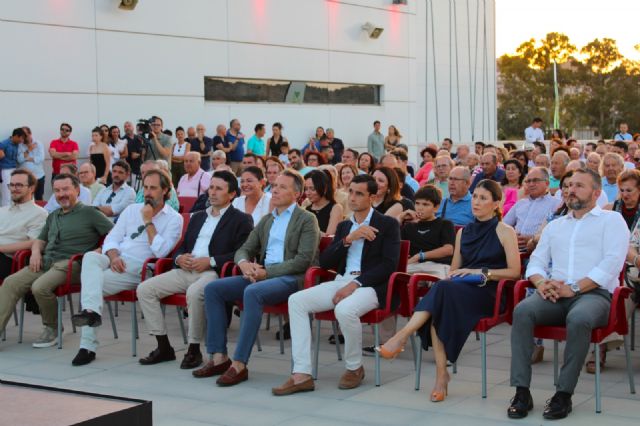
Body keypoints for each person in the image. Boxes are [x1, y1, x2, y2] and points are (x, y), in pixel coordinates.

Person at [376, 179, 520, 402]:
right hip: (461, 290)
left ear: (496, 203)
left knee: (441, 294)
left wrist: (482, 272)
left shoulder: (505, 231)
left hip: (490, 292)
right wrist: (462, 274)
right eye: (475, 197)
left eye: (483, 198)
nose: (477, 202)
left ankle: (404, 338)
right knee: (442, 295)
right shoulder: (463, 233)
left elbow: (514, 272)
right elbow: (453, 271)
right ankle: (440, 374)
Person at [508, 168, 629, 420]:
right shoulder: (556, 226)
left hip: (594, 296)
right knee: (522, 310)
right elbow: (536, 262)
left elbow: (611, 263)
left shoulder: (612, 220)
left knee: (579, 319)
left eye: (579, 186)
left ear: (596, 193)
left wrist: (573, 288)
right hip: (554, 294)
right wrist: (541, 283)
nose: (571, 189)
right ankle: (521, 392)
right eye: (569, 185)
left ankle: (563, 394)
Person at [272, 174, 399, 395]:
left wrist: (356, 284)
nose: (352, 197)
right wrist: (349, 239)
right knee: (297, 301)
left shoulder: (387, 224)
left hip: (371, 286)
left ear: (372, 196)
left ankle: (354, 367)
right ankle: (301, 374)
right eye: (350, 191)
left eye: (359, 193)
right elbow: (327, 261)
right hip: (342, 280)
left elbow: (389, 265)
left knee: (344, 309)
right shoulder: (344, 226)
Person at [193, 170, 320, 386]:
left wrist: (266, 273)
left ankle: (240, 363)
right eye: (275, 186)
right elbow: (244, 248)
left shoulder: (307, 219)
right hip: (261, 275)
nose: (276, 190)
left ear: (297, 194)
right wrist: (244, 264)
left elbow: (303, 261)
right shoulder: (267, 220)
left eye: (283, 187)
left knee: (252, 292)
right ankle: (219, 357)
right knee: (213, 289)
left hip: (290, 278)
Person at [136, 171, 253, 368]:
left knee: (195, 292)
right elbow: (182, 245)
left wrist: (211, 261)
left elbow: (243, 253)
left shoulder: (241, 219)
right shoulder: (198, 216)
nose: (212, 192)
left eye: (218, 189)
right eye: (211, 187)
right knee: (145, 289)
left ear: (232, 194)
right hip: (186, 269)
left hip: (212, 273)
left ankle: (193, 348)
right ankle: (163, 346)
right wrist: (180, 257)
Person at [69, 169, 183, 366]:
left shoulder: (174, 218)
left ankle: (87, 346)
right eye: (145, 187)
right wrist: (113, 256)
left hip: (141, 268)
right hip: (116, 259)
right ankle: (91, 314)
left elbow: (162, 252)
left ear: (165, 190)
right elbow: (112, 238)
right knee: (89, 257)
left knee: (91, 286)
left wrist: (148, 221)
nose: (148, 192)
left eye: (153, 188)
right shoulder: (132, 210)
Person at [0, 173, 113, 348]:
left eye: (66, 189)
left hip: (72, 264)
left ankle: (52, 328)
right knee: (10, 282)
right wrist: (36, 252)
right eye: (57, 191)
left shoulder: (90, 213)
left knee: (40, 287)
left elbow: (116, 234)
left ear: (77, 189)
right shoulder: (54, 216)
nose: (61, 194)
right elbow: (39, 239)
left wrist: (99, 251)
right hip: (46, 262)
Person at [0, 170, 48, 279]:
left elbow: (35, 241)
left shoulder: (39, 213)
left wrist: (1, 248)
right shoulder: (2, 211)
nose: (13, 189)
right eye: (11, 185)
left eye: (19, 185)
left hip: (11, 260)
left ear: (31, 188)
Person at [399, 185, 455, 278]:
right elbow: (397, 247)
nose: (420, 208)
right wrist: (400, 219)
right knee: (393, 274)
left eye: (425, 204)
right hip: (413, 266)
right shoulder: (408, 227)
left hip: (438, 266)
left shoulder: (445, 224)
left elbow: (448, 249)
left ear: (436, 207)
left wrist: (420, 256)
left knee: (439, 281)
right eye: (417, 203)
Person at [504, 167, 559, 252]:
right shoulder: (520, 203)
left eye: (535, 180)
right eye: (528, 181)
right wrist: (512, 236)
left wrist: (533, 239)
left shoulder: (556, 204)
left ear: (547, 183)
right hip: (514, 250)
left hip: (539, 251)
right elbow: (504, 225)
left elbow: (556, 234)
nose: (531, 184)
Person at [304, 170, 343, 236]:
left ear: (324, 189)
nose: (308, 193)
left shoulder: (335, 208)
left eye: (312, 189)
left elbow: (329, 237)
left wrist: (309, 230)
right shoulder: (307, 208)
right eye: (306, 189)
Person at [0, 128, 25, 207]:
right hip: (5, 171)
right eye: (21, 138)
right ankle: (4, 215)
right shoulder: (4, 144)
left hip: (14, 171)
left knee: (13, 193)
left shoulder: (18, 145)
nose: (22, 141)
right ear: (17, 136)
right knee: (6, 194)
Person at [123, 121, 143, 185]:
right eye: (125, 127)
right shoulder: (122, 140)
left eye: (129, 126)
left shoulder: (139, 139)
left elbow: (144, 151)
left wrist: (139, 155)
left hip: (139, 168)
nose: (127, 128)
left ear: (133, 127)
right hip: (127, 169)